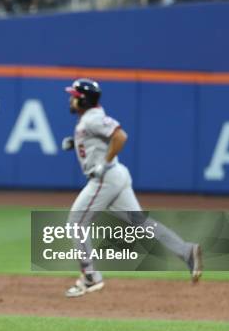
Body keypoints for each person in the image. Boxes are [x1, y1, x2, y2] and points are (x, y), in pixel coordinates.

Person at [61, 78, 202, 298]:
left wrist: (105, 162)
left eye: (74, 96)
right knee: (141, 223)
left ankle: (90, 277)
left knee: (76, 222)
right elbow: (102, 139)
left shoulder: (91, 119)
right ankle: (186, 251)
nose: (70, 99)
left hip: (106, 179)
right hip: (116, 176)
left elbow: (120, 136)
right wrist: (77, 143)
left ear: (84, 100)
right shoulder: (89, 119)